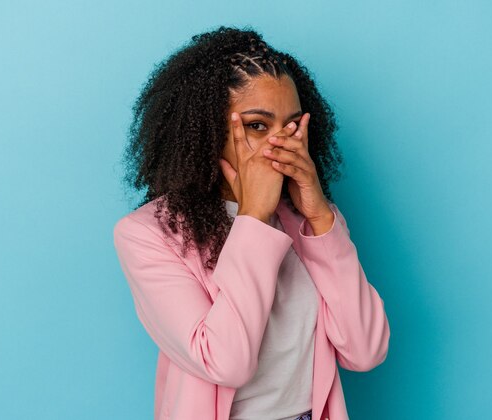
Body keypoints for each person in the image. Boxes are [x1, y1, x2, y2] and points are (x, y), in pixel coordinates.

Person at [113, 25, 390, 420]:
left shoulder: (309, 218)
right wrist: (254, 218)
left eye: (292, 126)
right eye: (258, 125)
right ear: (208, 131)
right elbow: (226, 362)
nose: (281, 143)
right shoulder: (147, 234)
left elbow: (365, 351)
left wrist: (321, 219)